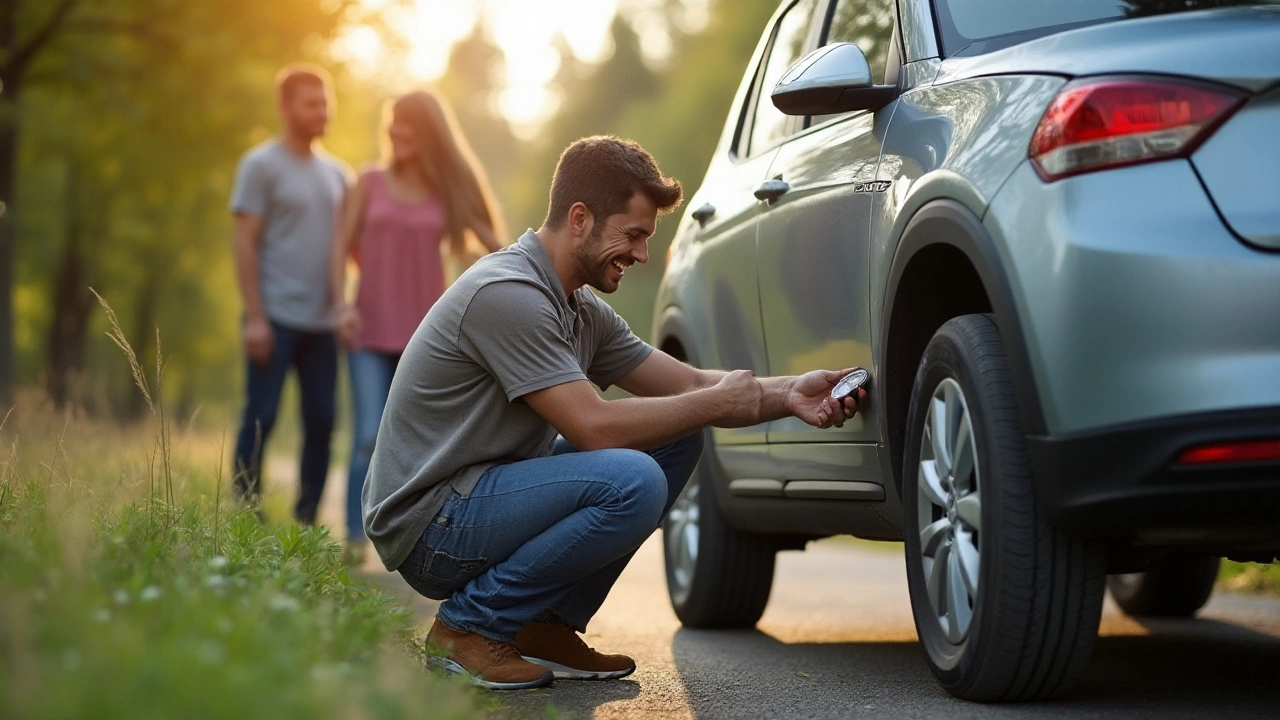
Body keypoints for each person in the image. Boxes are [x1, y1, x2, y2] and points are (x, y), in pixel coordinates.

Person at [362, 136, 866, 690]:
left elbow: (694, 384)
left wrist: (792, 392)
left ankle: (538, 623)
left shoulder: (578, 308)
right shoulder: (507, 293)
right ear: (580, 218)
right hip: (432, 524)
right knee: (632, 480)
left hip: (478, 496)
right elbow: (592, 426)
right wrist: (715, 402)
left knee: (677, 437)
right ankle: (468, 629)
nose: (643, 254)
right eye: (633, 235)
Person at [330, 90, 503, 563]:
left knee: (415, 442)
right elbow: (338, 247)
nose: (397, 133)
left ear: (428, 135)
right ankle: (352, 535)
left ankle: (408, 535)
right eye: (393, 123)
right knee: (368, 432)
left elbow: (496, 247)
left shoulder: (448, 193)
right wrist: (341, 306)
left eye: (408, 125)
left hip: (427, 341)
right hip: (367, 330)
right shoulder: (367, 182)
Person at [229, 64, 352, 524]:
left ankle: (306, 522)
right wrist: (255, 317)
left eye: (326, 102)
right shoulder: (260, 166)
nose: (322, 111)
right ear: (286, 108)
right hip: (274, 317)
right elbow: (244, 242)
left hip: (323, 325)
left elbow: (351, 250)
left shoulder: (340, 175)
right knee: (260, 418)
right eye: (311, 103)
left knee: (322, 424)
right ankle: (245, 514)